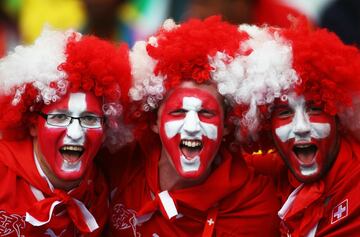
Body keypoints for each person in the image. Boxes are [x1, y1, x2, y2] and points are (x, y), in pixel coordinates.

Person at [105, 16, 280, 237]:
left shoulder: (252, 203)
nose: (192, 127)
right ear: (154, 122)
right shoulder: (122, 165)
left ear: (227, 124)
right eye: (177, 112)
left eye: (206, 113)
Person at [231, 21, 360, 236]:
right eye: (284, 113)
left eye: (314, 109)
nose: (300, 127)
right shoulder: (268, 175)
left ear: (338, 116)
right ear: (266, 126)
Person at [0, 28, 131, 236]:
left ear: (106, 129)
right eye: (60, 117)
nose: (76, 133)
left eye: (89, 119)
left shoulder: (99, 191)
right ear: (33, 125)